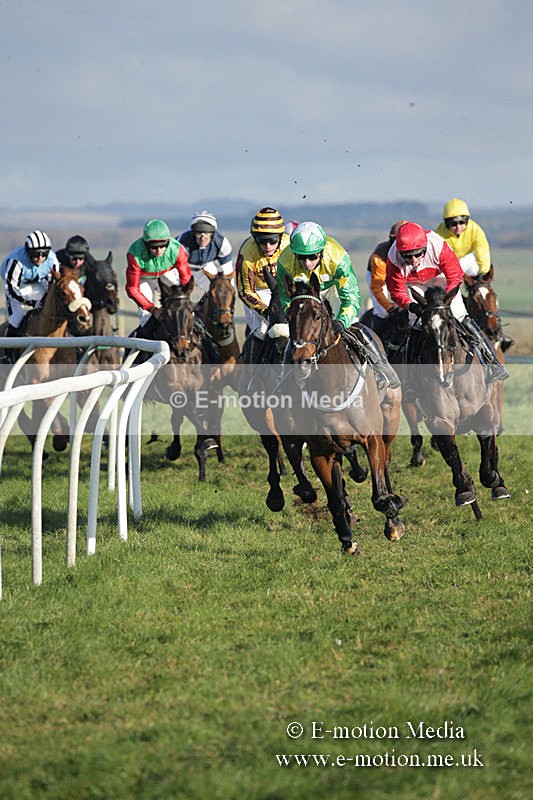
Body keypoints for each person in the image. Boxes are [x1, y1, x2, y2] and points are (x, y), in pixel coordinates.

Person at [276, 221, 400, 389]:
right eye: (302, 257)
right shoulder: (284, 262)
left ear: (321, 251)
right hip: (304, 295)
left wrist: (342, 321)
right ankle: (284, 379)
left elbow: (351, 297)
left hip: (333, 290)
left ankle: (382, 368)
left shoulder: (338, 258)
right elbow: (285, 297)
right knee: (298, 335)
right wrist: (293, 317)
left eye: (312, 257)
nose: (307, 263)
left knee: (352, 325)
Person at [385, 221, 508, 381]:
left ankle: (492, 361)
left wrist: (446, 301)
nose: (413, 260)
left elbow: (455, 276)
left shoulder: (438, 246)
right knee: (416, 322)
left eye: (418, 254)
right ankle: (410, 377)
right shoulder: (393, 258)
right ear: (400, 251)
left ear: (425, 248)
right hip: (415, 284)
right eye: (407, 255)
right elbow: (396, 291)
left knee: (460, 315)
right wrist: (411, 306)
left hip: (441, 278)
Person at [436, 198, 513, 350]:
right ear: (446, 223)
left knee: (485, 290)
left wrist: (483, 273)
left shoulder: (475, 229)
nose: (458, 227)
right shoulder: (439, 234)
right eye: (453, 223)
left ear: (467, 220)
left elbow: (482, 250)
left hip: (468, 262)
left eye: (462, 222)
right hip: (449, 266)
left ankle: (499, 333)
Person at [236, 207, 290, 346]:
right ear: (255, 239)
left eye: (273, 241)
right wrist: (265, 311)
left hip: (285, 289)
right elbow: (246, 292)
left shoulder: (289, 246)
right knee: (262, 329)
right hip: (260, 291)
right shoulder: (247, 254)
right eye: (262, 241)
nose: (267, 246)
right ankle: (253, 359)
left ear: (280, 237)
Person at [125, 219, 193, 331]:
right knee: (145, 316)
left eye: (162, 246)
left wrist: (185, 299)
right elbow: (132, 289)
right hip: (144, 278)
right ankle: (146, 336)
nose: (158, 251)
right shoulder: (135, 254)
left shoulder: (177, 250)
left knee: (178, 301)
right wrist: (152, 309)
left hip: (167, 273)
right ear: (146, 245)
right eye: (154, 247)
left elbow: (186, 280)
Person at [0, 230, 59, 336]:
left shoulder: (52, 260)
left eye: (44, 254)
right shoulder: (16, 261)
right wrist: (27, 302)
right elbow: (10, 288)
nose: (40, 258)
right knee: (16, 318)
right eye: (35, 255)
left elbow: (52, 286)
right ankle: (9, 343)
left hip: (37, 282)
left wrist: (44, 301)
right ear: (28, 252)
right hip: (16, 286)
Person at [178, 211, 233, 305]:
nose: (202, 238)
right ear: (194, 233)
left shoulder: (222, 243)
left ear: (212, 233)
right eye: (199, 234)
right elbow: (179, 267)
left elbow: (227, 272)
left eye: (206, 234)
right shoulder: (183, 242)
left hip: (205, 268)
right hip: (184, 268)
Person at [366, 219, 408, 332]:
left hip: (401, 276)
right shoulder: (379, 258)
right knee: (382, 312)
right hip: (378, 279)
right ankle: (378, 336)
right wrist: (389, 307)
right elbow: (377, 287)